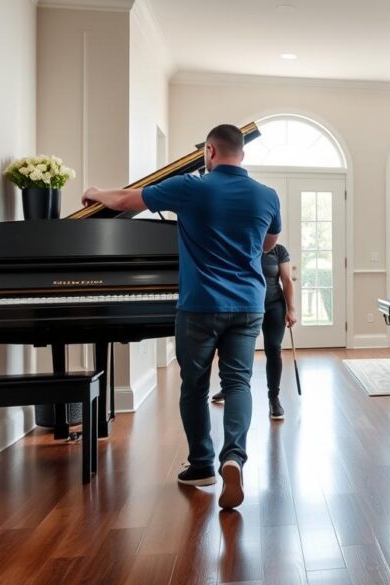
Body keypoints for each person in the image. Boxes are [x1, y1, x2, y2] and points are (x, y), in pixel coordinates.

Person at [82, 124, 282, 510]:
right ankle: (233, 458)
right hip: (248, 304)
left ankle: (202, 464)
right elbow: (269, 244)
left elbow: (125, 201)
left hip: (200, 305)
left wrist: (94, 193)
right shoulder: (267, 195)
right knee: (239, 383)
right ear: (242, 153)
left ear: (210, 151)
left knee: (194, 385)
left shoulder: (190, 187)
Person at [211, 243, 296, 419]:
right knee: (235, 349)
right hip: (246, 305)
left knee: (273, 348)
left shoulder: (279, 251)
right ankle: (230, 389)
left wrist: (291, 309)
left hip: (274, 306)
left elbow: (286, 280)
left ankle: (274, 398)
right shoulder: (244, 245)